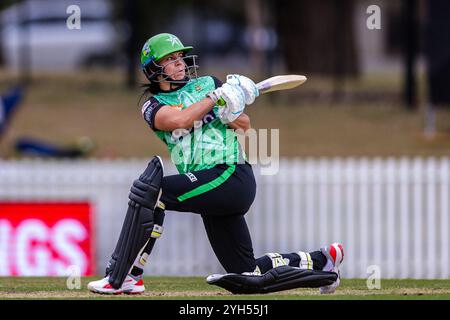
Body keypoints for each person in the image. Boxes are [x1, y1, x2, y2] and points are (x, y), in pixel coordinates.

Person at [88, 33, 344, 295]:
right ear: (154, 69)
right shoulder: (153, 105)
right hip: (209, 185)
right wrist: (215, 99)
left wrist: (230, 108)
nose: (180, 63)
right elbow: (179, 121)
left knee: (152, 191)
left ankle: (126, 275)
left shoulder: (207, 84)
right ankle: (322, 263)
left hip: (231, 174)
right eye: (170, 59)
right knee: (247, 275)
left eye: (180, 58)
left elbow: (245, 125)